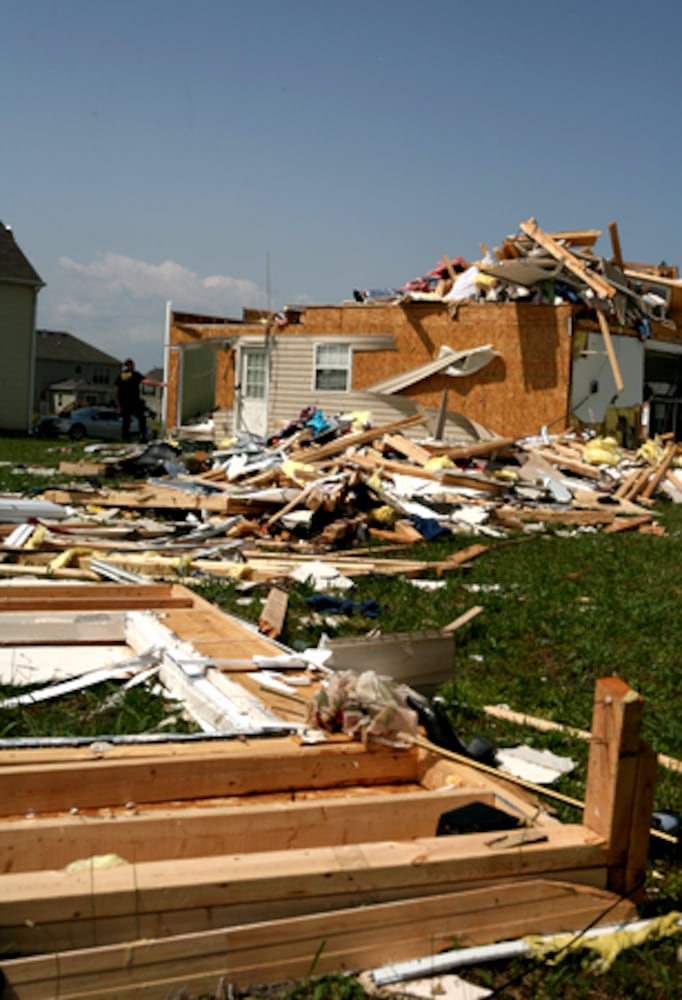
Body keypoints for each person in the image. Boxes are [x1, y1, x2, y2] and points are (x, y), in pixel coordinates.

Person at [114, 358, 166, 443]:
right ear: (130, 365)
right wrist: (159, 384)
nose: (134, 366)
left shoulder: (121, 376)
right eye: (132, 364)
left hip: (124, 402)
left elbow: (117, 389)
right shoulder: (134, 375)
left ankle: (125, 437)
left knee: (126, 420)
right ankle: (143, 436)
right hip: (134, 400)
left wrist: (119, 402)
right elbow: (145, 381)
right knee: (141, 418)